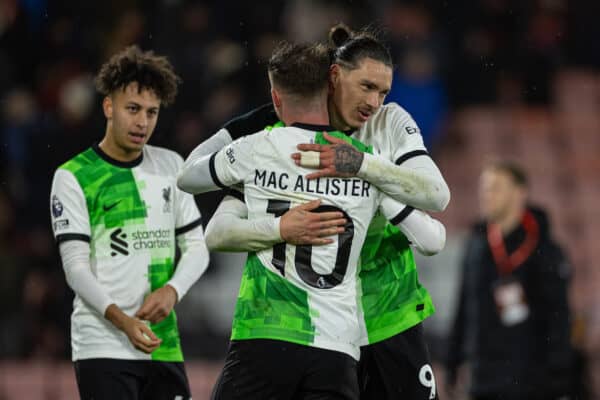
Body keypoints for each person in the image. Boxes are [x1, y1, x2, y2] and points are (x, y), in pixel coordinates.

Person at [179, 24, 449, 400]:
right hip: (325, 328)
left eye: (383, 91)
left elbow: (437, 196)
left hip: (386, 311)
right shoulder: (273, 135)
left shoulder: (389, 122)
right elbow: (207, 206)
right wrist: (279, 227)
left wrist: (360, 165)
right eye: (366, 87)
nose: (375, 102)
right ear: (334, 78)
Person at [49, 45, 209, 399]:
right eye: (133, 109)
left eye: (152, 112)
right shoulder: (74, 176)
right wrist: (123, 321)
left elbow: (197, 247)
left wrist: (173, 290)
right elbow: (75, 268)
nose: (142, 122)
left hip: (162, 344)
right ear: (109, 106)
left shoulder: (172, 166)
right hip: (103, 343)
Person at [445, 161, 575, 400]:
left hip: (531, 382)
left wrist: (558, 376)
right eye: (484, 189)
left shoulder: (546, 249)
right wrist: (452, 362)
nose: (487, 195)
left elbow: (559, 316)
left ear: (519, 192)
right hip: (482, 380)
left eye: (496, 188)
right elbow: (464, 306)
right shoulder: (476, 244)